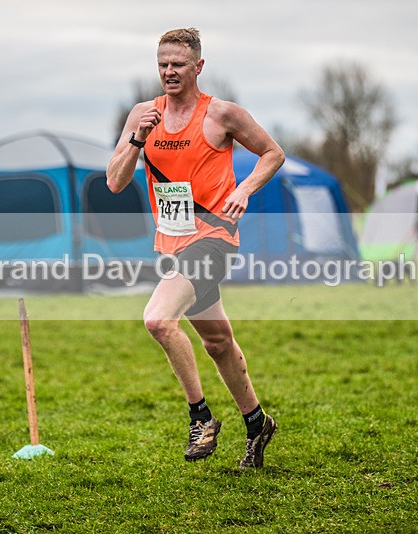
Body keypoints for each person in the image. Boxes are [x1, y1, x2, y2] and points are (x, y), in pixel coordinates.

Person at [107, 28, 285, 468]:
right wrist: (136, 139)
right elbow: (114, 181)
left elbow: (273, 154)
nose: (169, 72)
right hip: (172, 243)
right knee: (218, 341)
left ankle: (200, 417)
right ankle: (257, 422)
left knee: (157, 320)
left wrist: (244, 190)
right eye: (163, 64)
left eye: (179, 65)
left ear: (198, 67)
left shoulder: (221, 114)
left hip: (214, 240)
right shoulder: (142, 115)